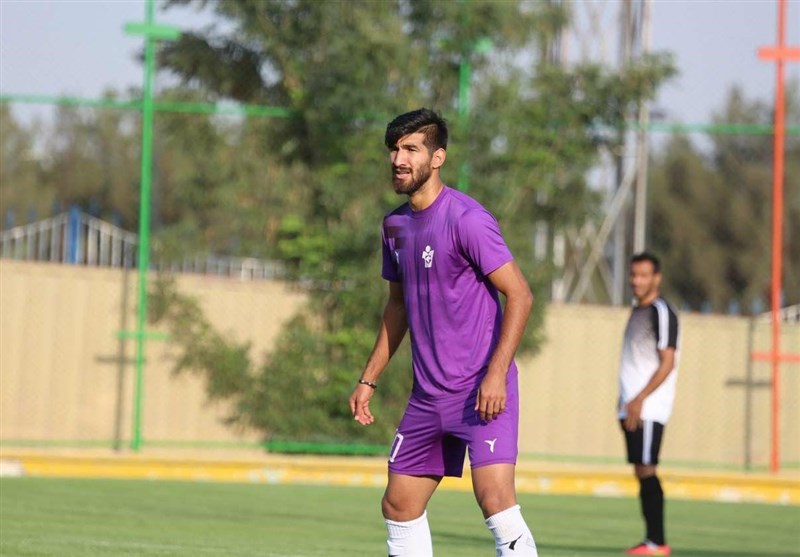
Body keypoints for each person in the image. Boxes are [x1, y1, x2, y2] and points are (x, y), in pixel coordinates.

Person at [348, 108, 538, 556]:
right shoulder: (394, 226)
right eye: (395, 149)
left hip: (480, 392)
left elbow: (521, 295)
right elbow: (397, 306)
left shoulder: (466, 219)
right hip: (427, 396)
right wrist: (368, 377)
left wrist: (496, 375)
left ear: (437, 158)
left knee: (495, 501)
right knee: (399, 504)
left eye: (411, 149)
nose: (399, 159)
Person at [617, 252, 680, 556]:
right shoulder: (637, 310)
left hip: (649, 408)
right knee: (642, 470)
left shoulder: (661, 312)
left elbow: (667, 362)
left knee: (647, 469)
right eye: (633, 275)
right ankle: (653, 540)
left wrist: (640, 399)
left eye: (643, 275)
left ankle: (657, 542)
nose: (636, 281)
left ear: (657, 278)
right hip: (632, 407)